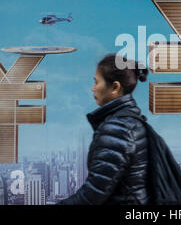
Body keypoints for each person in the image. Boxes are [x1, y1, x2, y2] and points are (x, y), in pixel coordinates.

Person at [58, 53, 149, 204]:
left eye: (96, 82)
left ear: (115, 87)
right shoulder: (130, 121)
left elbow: (92, 196)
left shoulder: (118, 128)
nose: (93, 88)